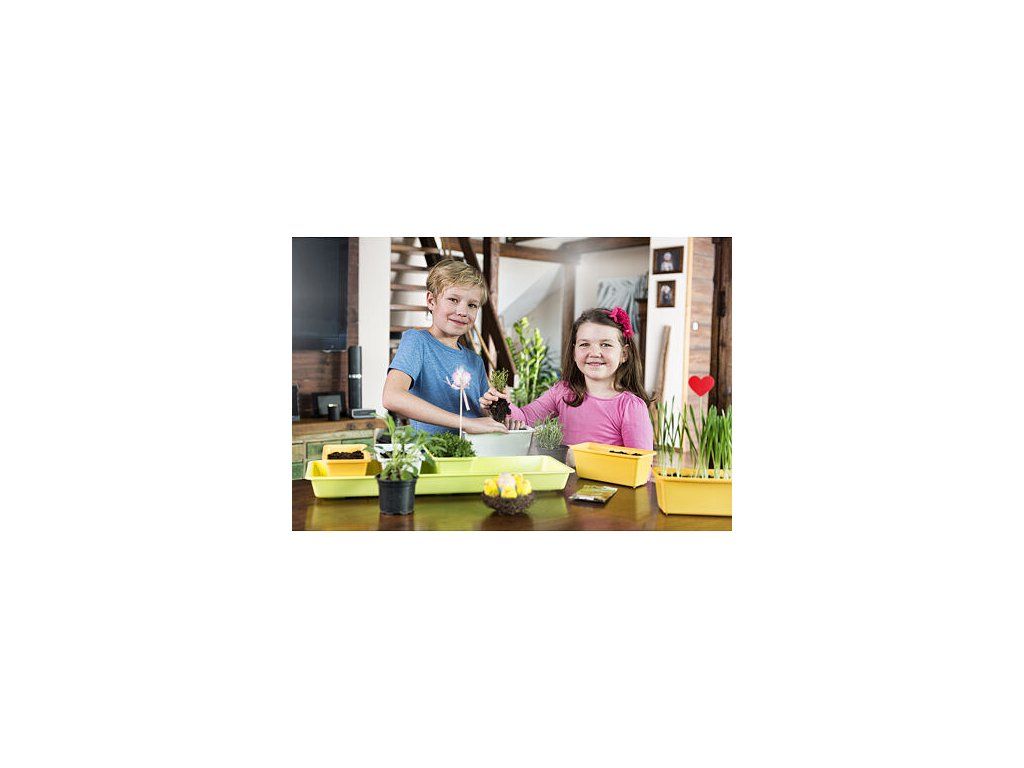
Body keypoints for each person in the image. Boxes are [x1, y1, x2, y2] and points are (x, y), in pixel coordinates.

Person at [479, 307, 654, 450]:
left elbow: (641, 468)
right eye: (584, 344)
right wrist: (500, 402)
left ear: (624, 354)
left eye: (606, 344)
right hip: (566, 481)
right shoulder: (562, 392)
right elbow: (524, 417)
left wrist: (578, 460)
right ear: (574, 352)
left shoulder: (631, 407)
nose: (594, 353)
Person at [382, 259, 508, 435]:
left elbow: (483, 417)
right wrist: (465, 423)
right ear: (431, 301)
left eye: (472, 305)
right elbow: (391, 396)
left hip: (475, 449)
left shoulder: (475, 360)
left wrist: (495, 409)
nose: (463, 312)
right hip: (435, 450)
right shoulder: (417, 342)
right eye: (453, 300)